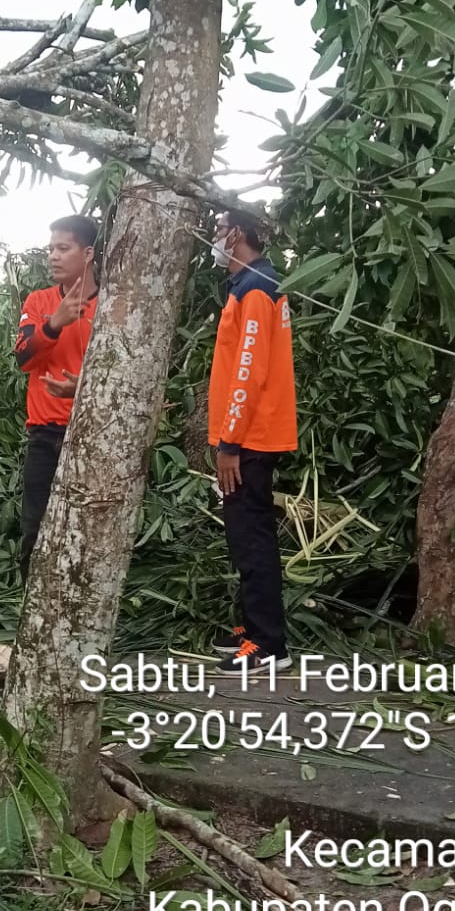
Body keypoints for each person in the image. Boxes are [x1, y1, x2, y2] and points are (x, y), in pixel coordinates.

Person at [206, 210, 298, 673]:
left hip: (251, 439)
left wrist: (230, 442)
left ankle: (267, 644)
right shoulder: (247, 286)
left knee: (253, 537)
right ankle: (254, 626)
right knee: (244, 536)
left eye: (219, 230)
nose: (215, 239)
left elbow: (250, 371)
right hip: (248, 435)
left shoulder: (257, 289)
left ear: (236, 234)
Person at [13, 214, 99, 578]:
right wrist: (54, 324)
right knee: (36, 525)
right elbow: (22, 358)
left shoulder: (112, 304)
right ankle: (30, 604)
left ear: (89, 252)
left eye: (63, 248)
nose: (53, 256)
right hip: (45, 433)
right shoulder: (39, 300)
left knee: (88, 527)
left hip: (92, 433)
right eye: (51, 249)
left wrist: (82, 387)